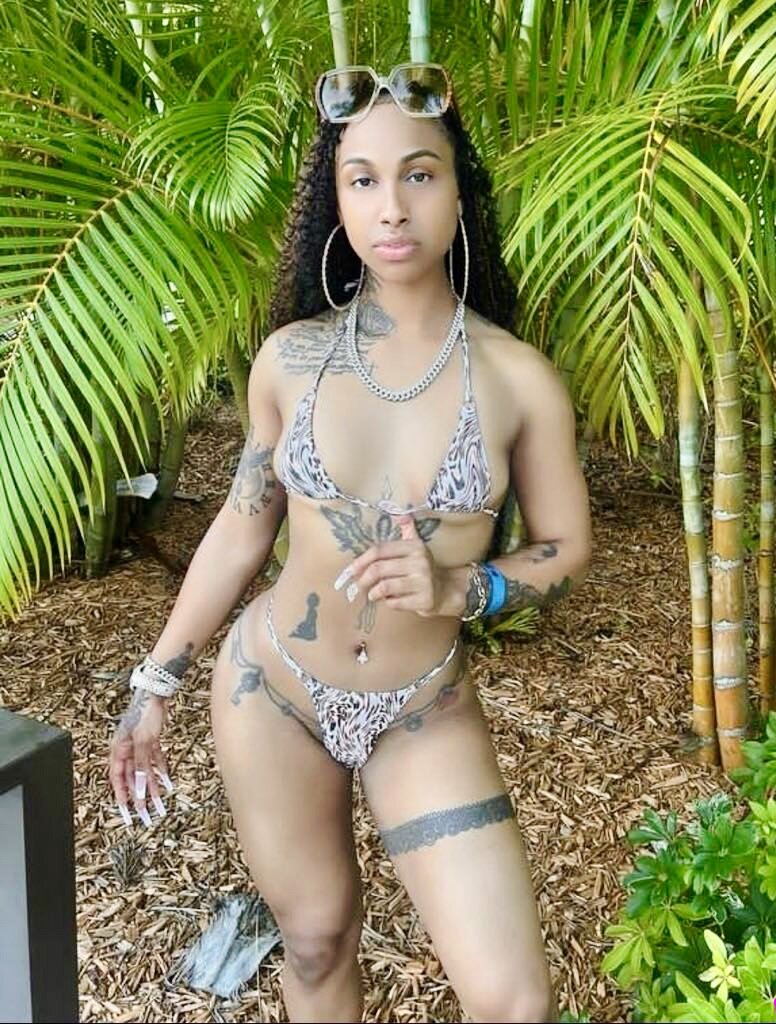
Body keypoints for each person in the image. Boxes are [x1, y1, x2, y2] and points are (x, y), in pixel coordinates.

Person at [108, 61, 591, 1023]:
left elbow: (565, 546)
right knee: (318, 938)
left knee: (513, 1001)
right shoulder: (289, 359)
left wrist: (463, 588)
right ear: (335, 202)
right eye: (362, 179)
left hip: (421, 708)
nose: (392, 206)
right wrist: (153, 684)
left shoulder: (516, 378)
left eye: (419, 174)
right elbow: (243, 524)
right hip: (274, 690)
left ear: (460, 190)